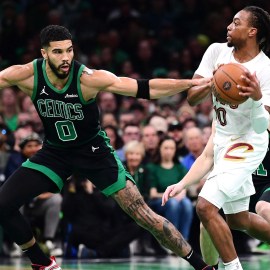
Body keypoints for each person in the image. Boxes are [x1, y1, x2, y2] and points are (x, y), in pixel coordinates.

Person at [0, 25, 213, 270]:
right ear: (44, 53)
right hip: (54, 152)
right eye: (58, 52)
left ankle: (202, 266)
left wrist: (190, 83)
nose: (66, 57)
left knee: (143, 215)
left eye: (69, 50)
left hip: (94, 153)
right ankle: (42, 262)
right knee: (3, 204)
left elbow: (145, 88)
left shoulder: (87, 79)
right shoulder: (27, 75)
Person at [163, 6, 270, 270]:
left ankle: (231, 268)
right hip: (222, 139)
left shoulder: (265, 69)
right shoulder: (216, 51)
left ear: (252, 31)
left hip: (248, 144)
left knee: (205, 206)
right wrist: (216, 80)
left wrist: (256, 98)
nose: (228, 27)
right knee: (238, 220)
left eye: (236, 23)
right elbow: (192, 96)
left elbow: (261, 126)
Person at [147, 136, 193, 240]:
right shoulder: (153, 168)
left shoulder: (180, 168)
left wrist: (179, 195)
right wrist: (170, 196)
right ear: (160, 149)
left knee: (187, 203)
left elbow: (184, 188)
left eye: (172, 148)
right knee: (173, 204)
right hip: (160, 201)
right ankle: (172, 239)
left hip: (178, 199)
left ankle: (184, 240)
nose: (169, 151)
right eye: (166, 148)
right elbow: (152, 194)